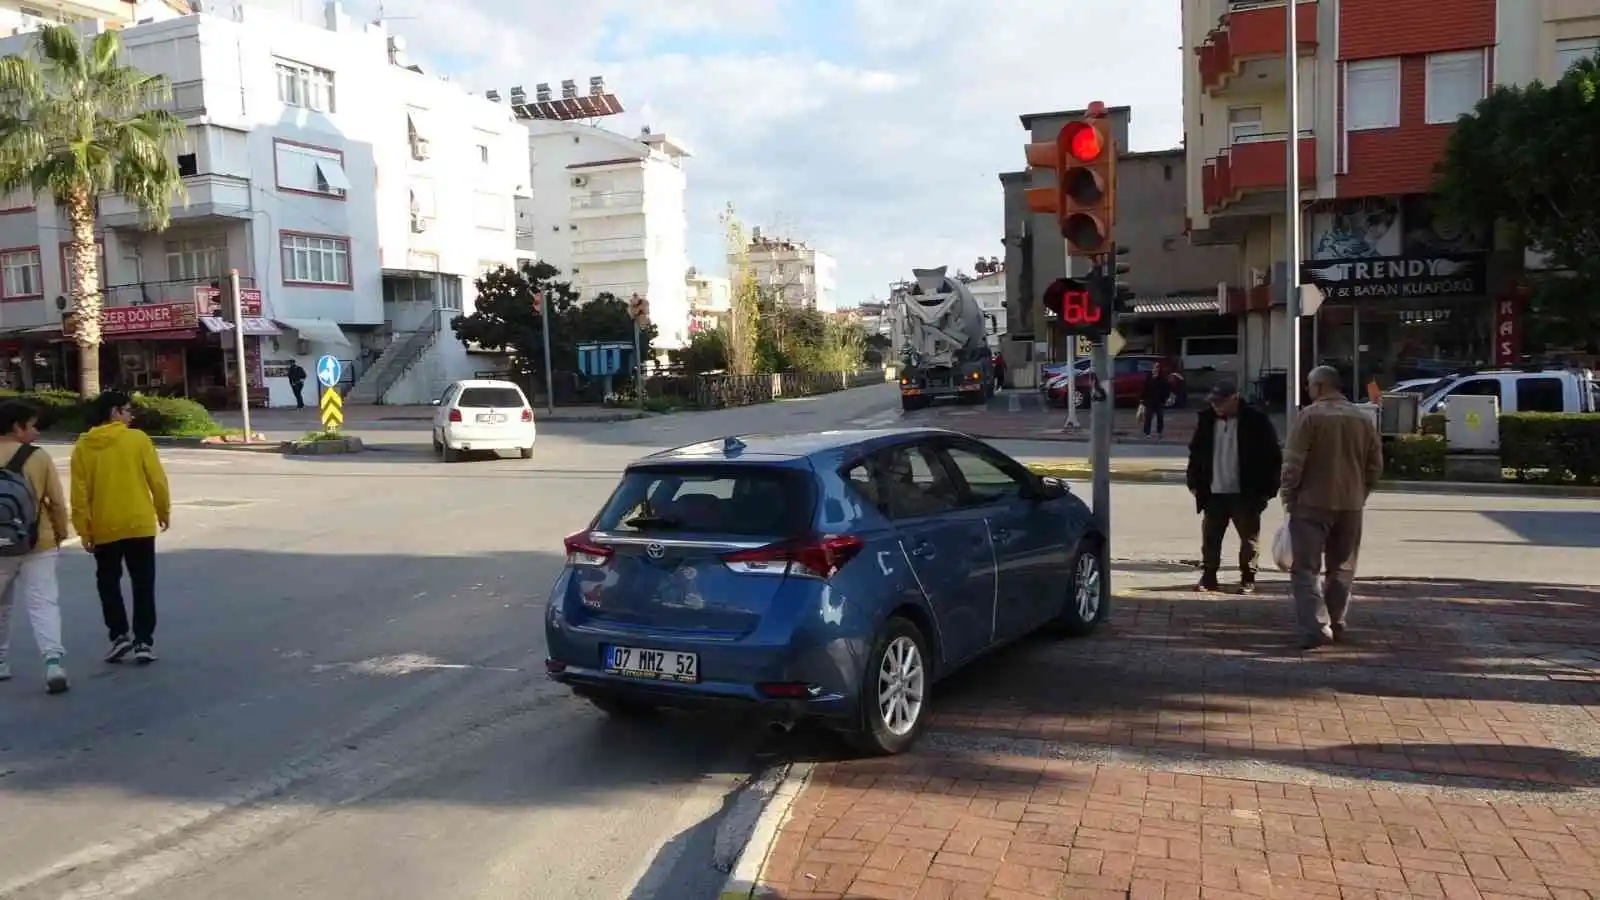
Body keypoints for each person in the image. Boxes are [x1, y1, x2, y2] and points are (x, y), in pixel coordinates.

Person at [1279, 366, 1384, 650]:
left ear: (1320, 386)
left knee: (1306, 569)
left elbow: (1293, 463)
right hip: (1350, 505)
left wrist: (1288, 497)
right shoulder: (1362, 419)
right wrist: (1361, 493)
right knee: (1342, 567)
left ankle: (1315, 627)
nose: (1308, 391)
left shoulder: (1310, 417)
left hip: (1311, 503)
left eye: (1310, 386)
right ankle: (1336, 622)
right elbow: (1375, 465)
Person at [70, 391, 171, 664]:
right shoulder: (137, 439)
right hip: (138, 523)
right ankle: (143, 642)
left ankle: (118, 636)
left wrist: (83, 529)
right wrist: (163, 511)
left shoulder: (83, 446)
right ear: (115, 412)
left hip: (104, 525)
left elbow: (79, 495)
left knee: (108, 583)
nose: (130, 415)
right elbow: (157, 480)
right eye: (127, 410)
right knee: (143, 583)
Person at [0, 401, 71, 693]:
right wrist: (61, 533)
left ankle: (1, 661)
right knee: (43, 602)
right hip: (36, 541)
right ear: (17, 427)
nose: (37, 432)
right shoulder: (38, 458)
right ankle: (53, 662)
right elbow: (55, 501)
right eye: (32, 425)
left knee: (2, 605)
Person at [1185, 383, 1281, 593]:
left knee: (1249, 539)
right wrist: (1193, 483)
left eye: (1220, 401)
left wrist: (1268, 490)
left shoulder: (1256, 421)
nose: (1216, 406)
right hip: (1213, 491)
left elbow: (1272, 457)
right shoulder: (1207, 420)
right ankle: (1209, 575)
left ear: (1235, 398)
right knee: (1211, 536)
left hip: (1246, 492)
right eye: (1213, 402)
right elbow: (1196, 453)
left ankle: (1248, 577)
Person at [1141, 363, 1171, 438]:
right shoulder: (1149, 377)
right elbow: (1145, 388)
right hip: (1149, 400)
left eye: (1157, 368)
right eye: (1154, 368)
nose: (1155, 369)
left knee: (1160, 416)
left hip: (1159, 401)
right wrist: (1142, 399)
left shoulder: (1162, 378)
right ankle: (1147, 432)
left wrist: (1166, 397)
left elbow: (1166, 388)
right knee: (1148, 416)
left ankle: (1159, 432)